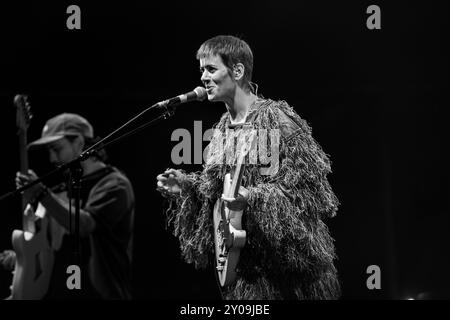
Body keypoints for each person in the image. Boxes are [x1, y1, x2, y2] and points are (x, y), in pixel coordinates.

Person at [156, 35, 341, 300]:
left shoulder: (276, 118)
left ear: (238, 70)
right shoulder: (221, 129)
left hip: (293, 279)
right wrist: (186, 186)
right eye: (201, 71)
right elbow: (218, 195)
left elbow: (313, 193)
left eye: (211, 69)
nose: (203, 78)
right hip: (247, 278)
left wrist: (252, 198)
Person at [1, 113, 135, 299]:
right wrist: (21, 258)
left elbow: (85, 225)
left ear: (79, 142)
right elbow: (48, 249)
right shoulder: (60, 191)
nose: (52, 158)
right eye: (49, 150)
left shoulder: (115, 185)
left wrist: (41, 193)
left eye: (56, 149)